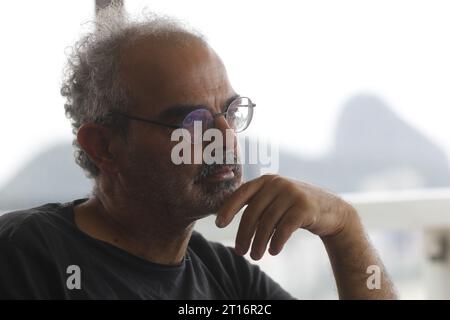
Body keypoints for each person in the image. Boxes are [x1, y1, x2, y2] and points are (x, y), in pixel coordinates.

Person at [0, 4, 396, 299]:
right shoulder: (26, 256)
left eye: (229, 112)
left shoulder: (224, 277)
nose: (224, 137)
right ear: (104, 147)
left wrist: (344, 228)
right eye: (192, 121)